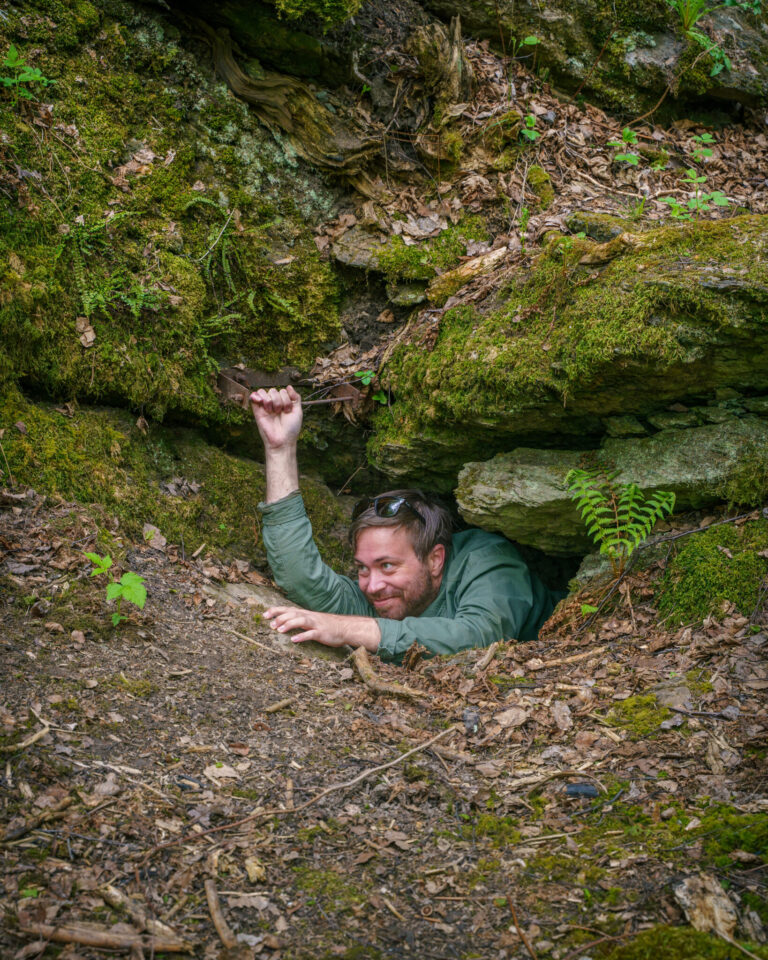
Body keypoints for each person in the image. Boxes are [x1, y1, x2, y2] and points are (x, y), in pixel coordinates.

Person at [251, 385, 561, 663]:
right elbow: (300, 577)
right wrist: (280, 449)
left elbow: (478, 638)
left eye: (387, 566)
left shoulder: (488, 560)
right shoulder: (380, 598)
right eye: (362, 568)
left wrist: (348, 628)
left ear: (435, 558)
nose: (372, 586)